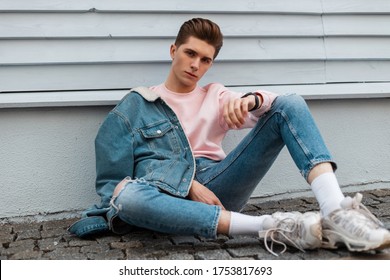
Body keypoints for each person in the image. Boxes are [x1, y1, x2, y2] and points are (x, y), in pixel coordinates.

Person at [69, 18, 390, 256]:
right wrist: (188, 183)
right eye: (190, 53)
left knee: (291, 103)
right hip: (164, 193)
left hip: (219, 184)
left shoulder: (216, 96)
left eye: (205, 59)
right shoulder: (137, 105)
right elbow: (117, 182)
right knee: (126, 197)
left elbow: (278, 107)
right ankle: (272, 225)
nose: (195, 65)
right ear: (173, 50)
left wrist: (249, 100)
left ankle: (336, 212)